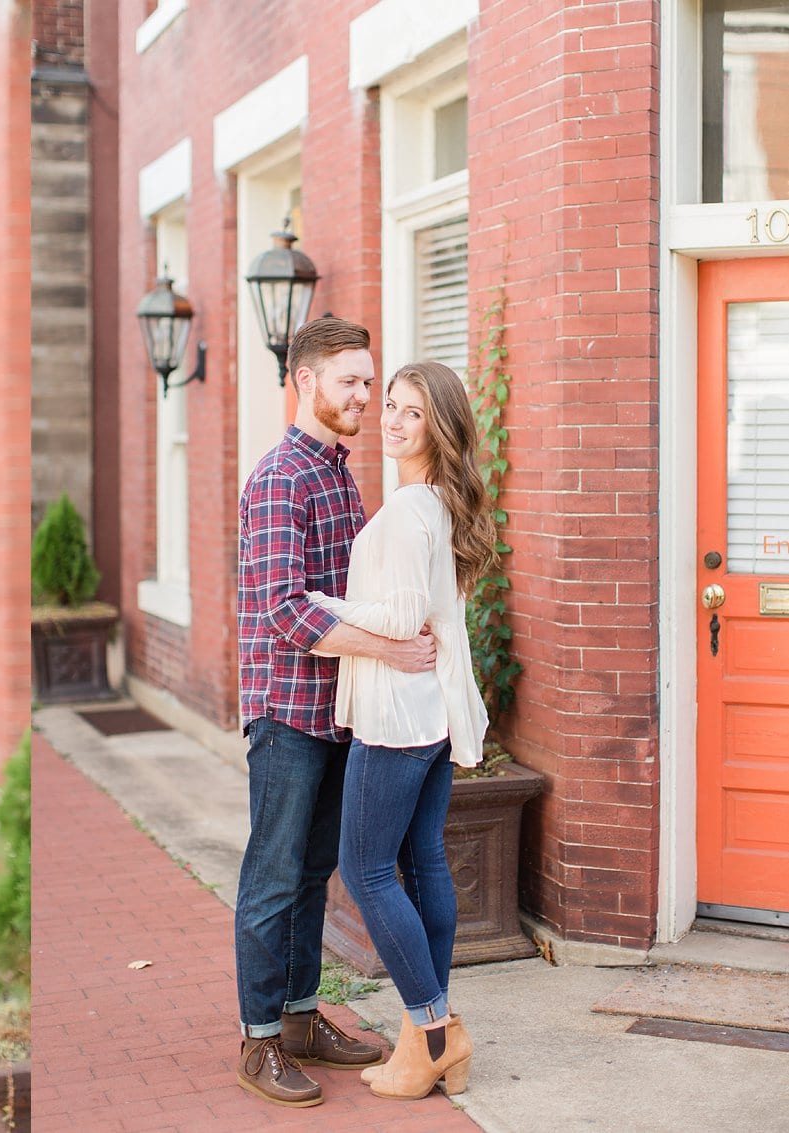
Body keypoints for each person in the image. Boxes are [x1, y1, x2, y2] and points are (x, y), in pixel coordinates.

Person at [234, 317, 438, 1108]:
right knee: (273, 877)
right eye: (350, 381)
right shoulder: (281, 476)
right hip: (286, 713)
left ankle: (298, 1019)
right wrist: (389, 650)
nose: (364, 396)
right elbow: (285, 609)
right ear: (305, 381)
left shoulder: (336, 472)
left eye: (369, 382)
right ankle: (256, 1041)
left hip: (338, 712)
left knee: (313, 876)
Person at [308, 360, 496, 1100]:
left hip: (395, 711)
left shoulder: (413, 508)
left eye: (411, 412)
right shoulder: (436, 502)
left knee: (365, 869)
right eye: (388, 404)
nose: (390, 418)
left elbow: (397, 613)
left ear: (438, 427)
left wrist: (321, 607)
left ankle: (433, 1030)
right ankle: (433, 1037)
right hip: (430, 711)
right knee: (421, 865)